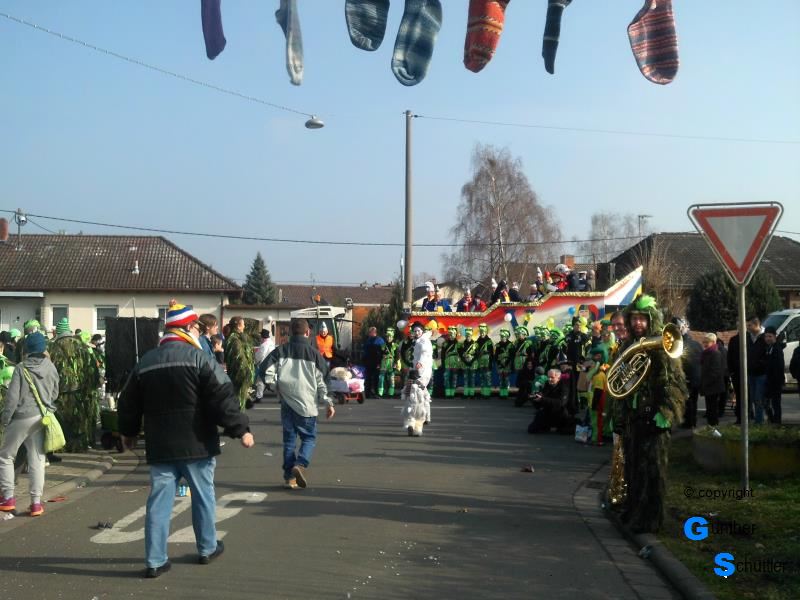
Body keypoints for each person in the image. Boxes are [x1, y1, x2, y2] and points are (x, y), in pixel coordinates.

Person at [119, 302, 254, 578]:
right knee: (203, 497)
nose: (198, 331)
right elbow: (222, 396)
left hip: (160, 446)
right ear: (189, 327)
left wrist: (128, 433)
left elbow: (128, 402)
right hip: (197, 444)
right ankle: (207, 547)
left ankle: (155, 560)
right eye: (197, 327)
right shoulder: (200, 358)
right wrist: (240, 429)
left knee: (159, 503)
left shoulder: (146, 362)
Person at [616, 295, 686, 534]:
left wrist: (666, 413)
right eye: (634, 318)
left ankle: (650, 520)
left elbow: (674, 385)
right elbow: (621, 385)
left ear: (651, 320)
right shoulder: (628, 346)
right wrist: (620, 416)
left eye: (642, 319)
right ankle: (634, 509)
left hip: (654, 418)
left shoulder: (662, 347)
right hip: (633, 418)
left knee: (652, 472)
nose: (637, 323)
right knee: (633, 468)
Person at [259, 318, 335, 489]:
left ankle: (289, 477)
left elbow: (264, 370)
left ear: (290, 333)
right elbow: (323, 381)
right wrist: (329, 402)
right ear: (308, 332)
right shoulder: (315, 354)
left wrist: (275, 386)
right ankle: (300, 464)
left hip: (287, 402)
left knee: (289, 440)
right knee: (309, 438)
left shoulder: (280, 350)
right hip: (307, 404)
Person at [0, 332, 60, 518]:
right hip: (41, 418)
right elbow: (55, 393)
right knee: (37, 460)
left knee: (5, 456)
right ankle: (36, 504)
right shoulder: (50, 367)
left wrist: (5, 420)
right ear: (43, 348)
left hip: (20, 417)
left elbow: (12, 399)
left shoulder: (21, 367)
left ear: (27, 349)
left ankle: (8, 498)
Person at [47, 317, 100, 452]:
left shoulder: (52, 347)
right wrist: (91, 388)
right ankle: (78, 447)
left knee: (61, 419)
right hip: (80, 391)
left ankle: (61, 447)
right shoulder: (82, 346)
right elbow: (92, 369)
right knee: (78, 420)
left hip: (59, 392)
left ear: (58, 333)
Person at [402, 322, 433, 436]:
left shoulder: (424, 341)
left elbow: (425, 353)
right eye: (415, 331)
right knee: (421, 392)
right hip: (416, 370)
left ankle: (416, 422)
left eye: (418, 331)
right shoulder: (417, 341)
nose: (416, 333)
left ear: (422, 331)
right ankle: (425, 417)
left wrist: (420, 363)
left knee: (417, 393)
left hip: (423, 372)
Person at [672, 318, 702, 429]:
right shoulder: (697, 344)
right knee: (694, 400)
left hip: (687, 376)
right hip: (697, 377)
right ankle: (693, 421)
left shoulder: (680, 345)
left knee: (687, 401)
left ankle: (689, 422)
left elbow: (681, 363)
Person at [527, 368, 573, 434]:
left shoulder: (564, 387)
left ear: (558, 378)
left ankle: (557, 426)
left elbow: (561, 403)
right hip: (547, 410)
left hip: (560, 413)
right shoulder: (547, 384)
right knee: (531, 429)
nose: (549, 379)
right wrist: (535, 399)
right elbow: (542, 398)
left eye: (552, 377)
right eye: (548, 377)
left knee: (565, 431)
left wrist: (542, 399)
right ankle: (547, 425)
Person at [223, 316, 255, 410]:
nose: (244, 326)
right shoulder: (234, 340)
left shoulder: (239, 338)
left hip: (240, 377)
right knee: (238, 404)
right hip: (238, 377)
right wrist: (246, 375)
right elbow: (239, 359)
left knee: (240, 403)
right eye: (243, 324)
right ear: (238, 326)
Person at [699, 333, 726, 427]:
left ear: (713, 342)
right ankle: (711, 426)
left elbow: (715, 372)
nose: (705, 344)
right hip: (709, 385)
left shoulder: (715, 353)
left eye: (707, 342)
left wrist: (705, 382)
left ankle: (714, 426)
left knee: (712, 408)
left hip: (713, 386)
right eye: (704, 342)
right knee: (710, 408)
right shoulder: (707, 353)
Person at [763, 326, 785, 424]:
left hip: (775, 381)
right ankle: (772, 420)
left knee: (776, 403)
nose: (767, 338)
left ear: (775, 336)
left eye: (770, 336)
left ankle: (777, 421)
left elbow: (779, 366)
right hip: (769, 380)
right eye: (766, 336)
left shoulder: (777, 349)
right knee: (767, 402)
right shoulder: (769, 348)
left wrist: (777, 380)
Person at [362, 326, 384, 398]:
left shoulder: (379, 340)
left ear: (374, 332)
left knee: (375, 378)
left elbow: (383, 352)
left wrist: (379, 363)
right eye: (369, 332)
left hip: (376, 362)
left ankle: (374, 393)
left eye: (370, 332)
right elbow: (365, 351)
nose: (369, 334)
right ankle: (368, 393)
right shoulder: (369, 340)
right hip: (369, 362)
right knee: (369, 378)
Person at [253, 329, 275, 403]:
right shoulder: (271, 343)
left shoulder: (263, 345)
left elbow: (260, 355)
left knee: (260, 381)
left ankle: (258, 397)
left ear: (262, 337)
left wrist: (255, 360)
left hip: (264, 365)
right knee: (271, 380)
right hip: (271, 364)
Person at [378, 327, 399, 397]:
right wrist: (379, 363)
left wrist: (395, 363)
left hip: (391, 363)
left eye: (390, 337)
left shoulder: (395, 345)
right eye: (387, 337)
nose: (389, 338)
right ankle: (380, 392)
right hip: (384, 363)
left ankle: (391, 393)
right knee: (381, 377)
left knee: (391, 378)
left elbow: (397, 356)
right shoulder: (383, 345)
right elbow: (379, 355)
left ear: (392, 337)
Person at [475, 323, 494, 397]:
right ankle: (483, 392)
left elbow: (492, 353)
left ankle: (487, 393)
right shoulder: (477, 341)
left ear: (486, 332)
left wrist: (491, 363)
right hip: (480, 362)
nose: (482, 333)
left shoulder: (489, 341)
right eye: (481, 332)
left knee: (487, 377)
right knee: (482, 376)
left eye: (483, 332)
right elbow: (476, 352)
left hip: (487, 362)